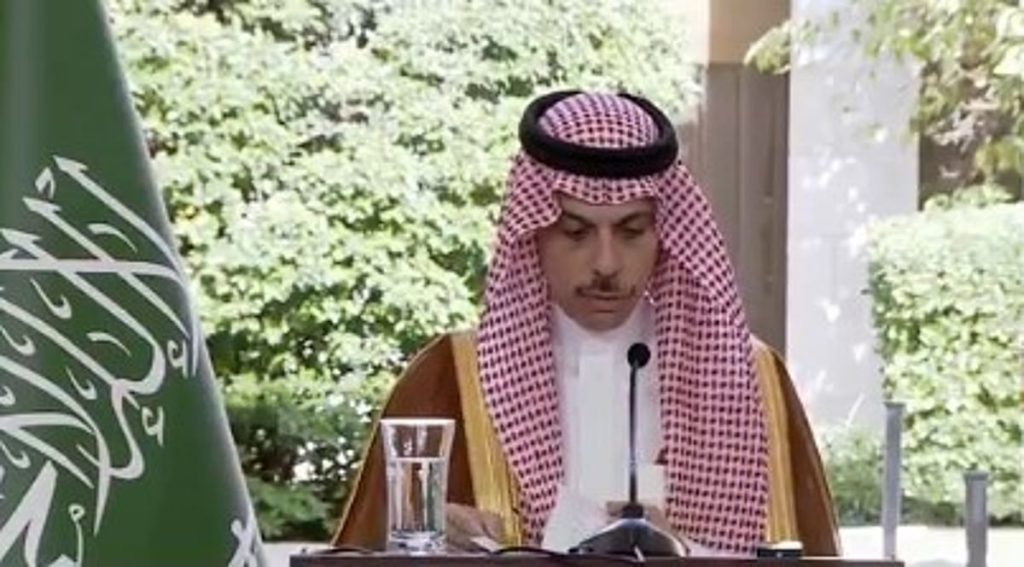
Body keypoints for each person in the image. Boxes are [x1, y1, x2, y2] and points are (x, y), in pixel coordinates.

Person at [332, 90, 839, 556]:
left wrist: (680, 552)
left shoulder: (750, 378)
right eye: (575, 232)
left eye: (632, 231)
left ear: (664, 234)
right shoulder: (448, 378)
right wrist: (427, 542)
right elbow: (363, 552)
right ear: (533, 234)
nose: (606, 263)